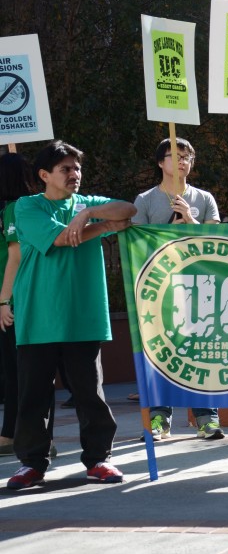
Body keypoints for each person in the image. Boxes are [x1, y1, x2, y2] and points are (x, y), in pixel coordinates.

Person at [6, 140, 136, 490]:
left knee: (90, 394)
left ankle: (99, 459)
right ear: (45, 175)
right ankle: (32, 464)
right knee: (33, 397)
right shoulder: (26, 207)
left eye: (76, 168)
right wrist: (105, 226)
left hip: (83, 316)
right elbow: (62, 239)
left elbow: (128, 209)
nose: (74, 174)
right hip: (38, 317)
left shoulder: (89, 203)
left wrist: (87, 213)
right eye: (66, 169)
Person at [133, 138, 225, 441]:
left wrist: (191, 217)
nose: (182, 161)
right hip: (160, 288)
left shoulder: (204, 198)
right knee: (161, 352)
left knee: (201, 352)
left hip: (200, 285)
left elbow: (215, 244)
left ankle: (206, 418)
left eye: (187, 156)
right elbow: (139, 244)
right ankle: (159, 419)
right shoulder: (145, 200)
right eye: (174, 156)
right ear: (160, 162)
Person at [0, 154, 39, 455]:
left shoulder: (17, 209)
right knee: (13, 371)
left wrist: (4, 300)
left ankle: (22, 434)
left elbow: (16, 256)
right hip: (9, 299)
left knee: (21, 372)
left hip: (14, 301)